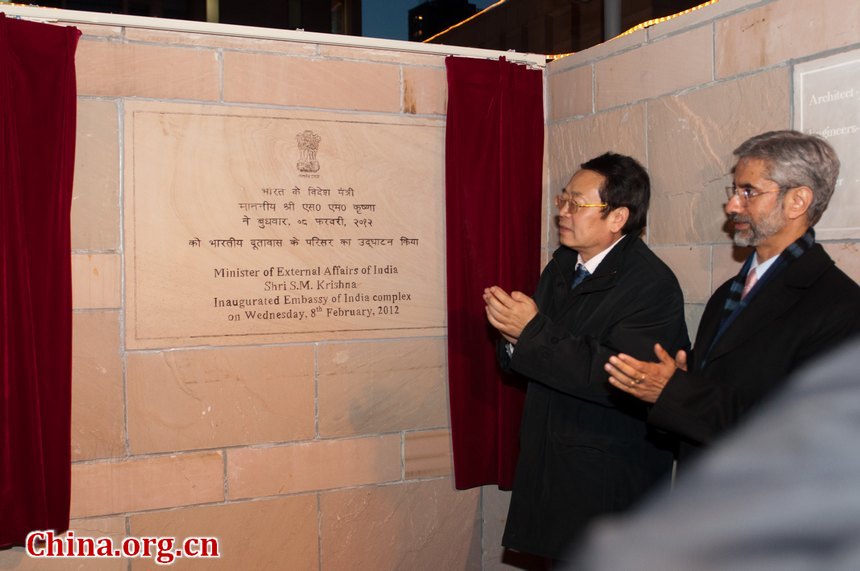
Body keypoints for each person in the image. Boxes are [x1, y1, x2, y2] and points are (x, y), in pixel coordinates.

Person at [604, 130, 860, 461]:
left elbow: (799, 437)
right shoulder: (729, 292)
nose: (731, 205)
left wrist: (676, 393)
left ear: (798, 200)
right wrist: (671, 388)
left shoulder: (842, 307)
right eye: (735, 190)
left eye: (748, 192)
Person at [483, 152, 689, 561]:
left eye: (577, 204)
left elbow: (618, 377)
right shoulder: (563, 263)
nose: (563, 211)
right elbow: (536, 355)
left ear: (617, 218)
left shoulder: (651, 285)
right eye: (563, 199)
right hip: (552, 460)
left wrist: (530, 331)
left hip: (604, 476)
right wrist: (510, 338)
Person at [570, 336, 860, 570]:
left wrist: (675, 394)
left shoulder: (837, 303)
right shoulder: (727, 294)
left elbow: (776, 436)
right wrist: (678, 387)